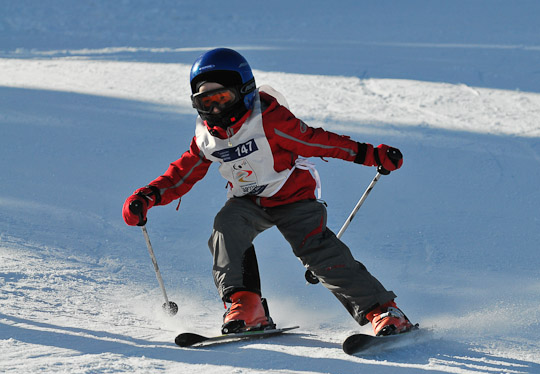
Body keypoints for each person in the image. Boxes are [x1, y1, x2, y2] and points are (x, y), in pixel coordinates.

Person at [122, 48, 414, 336]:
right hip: (248, 201)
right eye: (205, 102)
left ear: (244, 92)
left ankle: (383, 310)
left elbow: (318, 142)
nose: (216, 110)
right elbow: (182, 174)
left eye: (223, 98)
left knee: (315, 248)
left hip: (293, 195)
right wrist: (147, 196)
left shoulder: (269, 120)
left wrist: (370, 154)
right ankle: (246, 305)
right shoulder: (207, 137)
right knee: (226, 227)